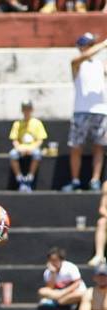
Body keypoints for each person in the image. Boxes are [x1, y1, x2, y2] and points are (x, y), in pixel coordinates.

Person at [63, 34, 107, 193]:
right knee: (76, 146)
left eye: (91, 44)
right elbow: (82, 58)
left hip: (100, 110)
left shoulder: (100, 64)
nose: (90, 47)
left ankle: (95, 180)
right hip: (81, 110)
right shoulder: (77, 63)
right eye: (88, 45)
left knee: (99, 147)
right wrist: (103, 45)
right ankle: (75, 181)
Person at [8, 100, 46, 193]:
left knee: (37, 154)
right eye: (24, 109)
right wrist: (19, 149)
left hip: (33, 147)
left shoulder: (37, 123)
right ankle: (19, 178)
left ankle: (30, 177)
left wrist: (33, 148)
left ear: (32, 109)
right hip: (21, 148)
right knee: (13, 154)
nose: (26, 111)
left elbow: (40, 139)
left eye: (28, 108)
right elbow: (14, 139)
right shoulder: (17, 124)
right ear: (22, 110)